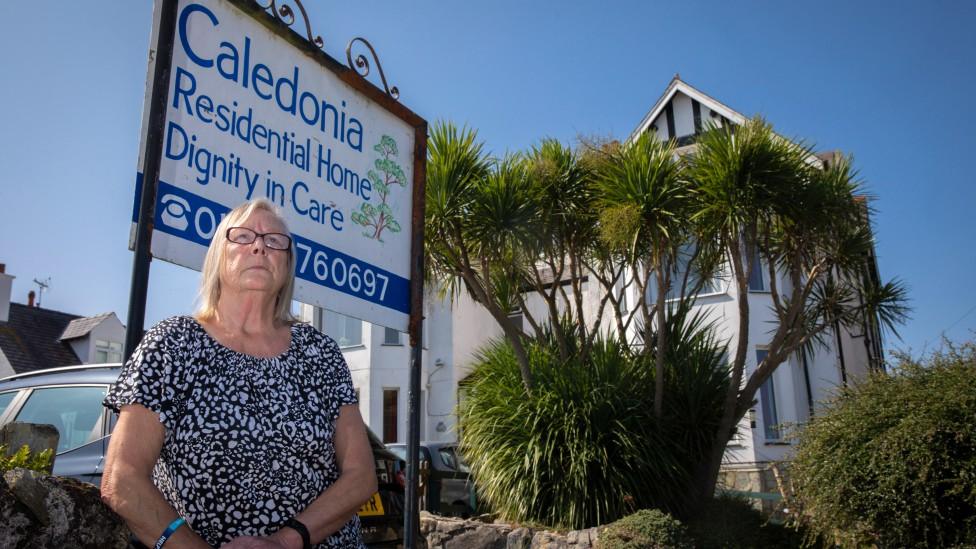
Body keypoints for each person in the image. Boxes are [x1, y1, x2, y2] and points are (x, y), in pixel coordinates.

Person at [101, 199, 376, 548]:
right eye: (243, 236)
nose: (260, 245)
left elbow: (362, 475)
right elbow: (121, 479)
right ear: (219, 254)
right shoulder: (173, 344)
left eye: (275, 240)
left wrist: (285, 542)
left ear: (287, 264)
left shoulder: (319, 352)